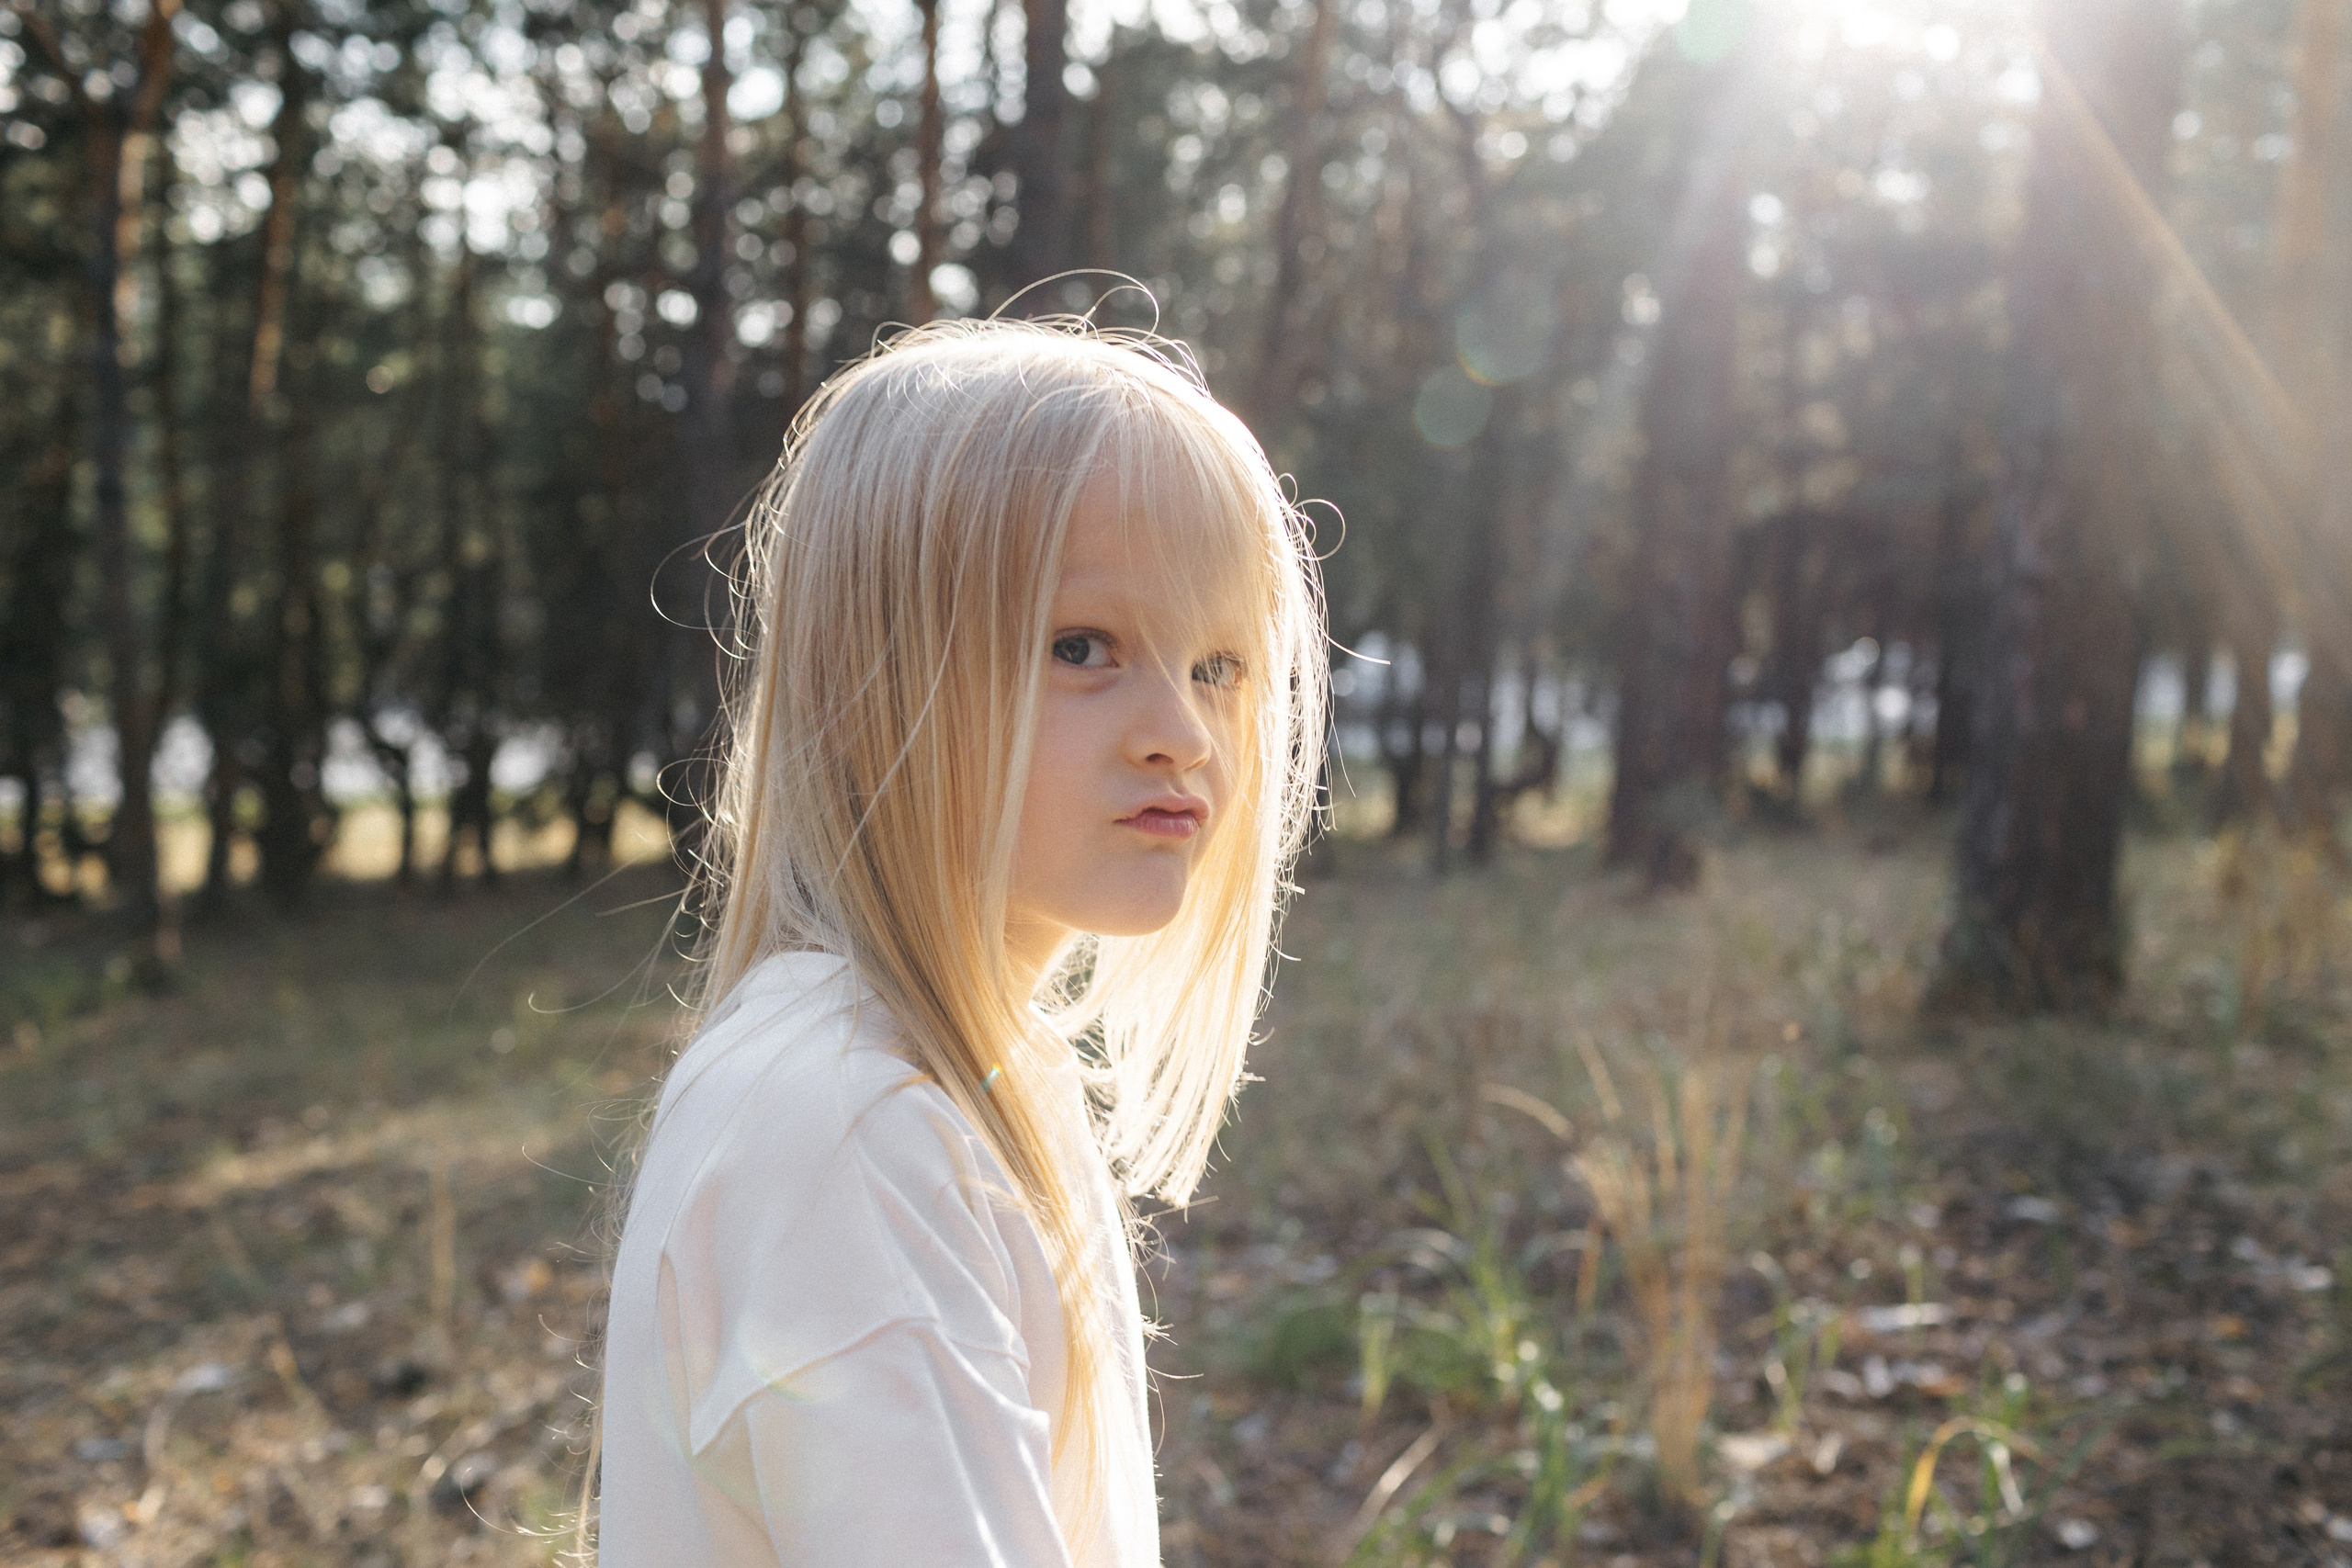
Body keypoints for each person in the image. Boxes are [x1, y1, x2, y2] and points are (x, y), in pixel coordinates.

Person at [593, 316, 1328, 1565]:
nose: (1183, 736)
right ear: (871, 679)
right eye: (1082, 647)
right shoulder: (851, 1130)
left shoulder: (962, 1075)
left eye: (1216, 664)